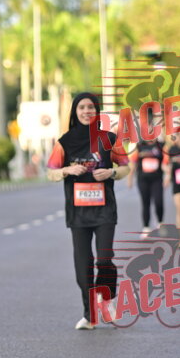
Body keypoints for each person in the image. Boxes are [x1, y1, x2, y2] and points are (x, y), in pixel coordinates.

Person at [47, 92, 130, 330]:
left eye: (91, 107)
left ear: (97, 111)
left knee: (104, 259)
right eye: (82, 107)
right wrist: (67, 170)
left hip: (105, 210)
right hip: (78, 212)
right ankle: (90, 315)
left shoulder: (109, 138)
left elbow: (126, 167)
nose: (86, 111)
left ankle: (108, 300)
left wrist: (111, 172)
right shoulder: (64, 142)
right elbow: (51, 172)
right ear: (75, 112)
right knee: (83, 266)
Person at [127, 124, 167, 237]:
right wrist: (130, 178)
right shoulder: (140, 146)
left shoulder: (161, 146)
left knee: (159, 201)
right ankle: (146, 227)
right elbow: (133, 163)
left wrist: (168, 175)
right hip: (143, 179)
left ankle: (160, 223)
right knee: (146, 202)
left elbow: (166, 162)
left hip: (157, 179)